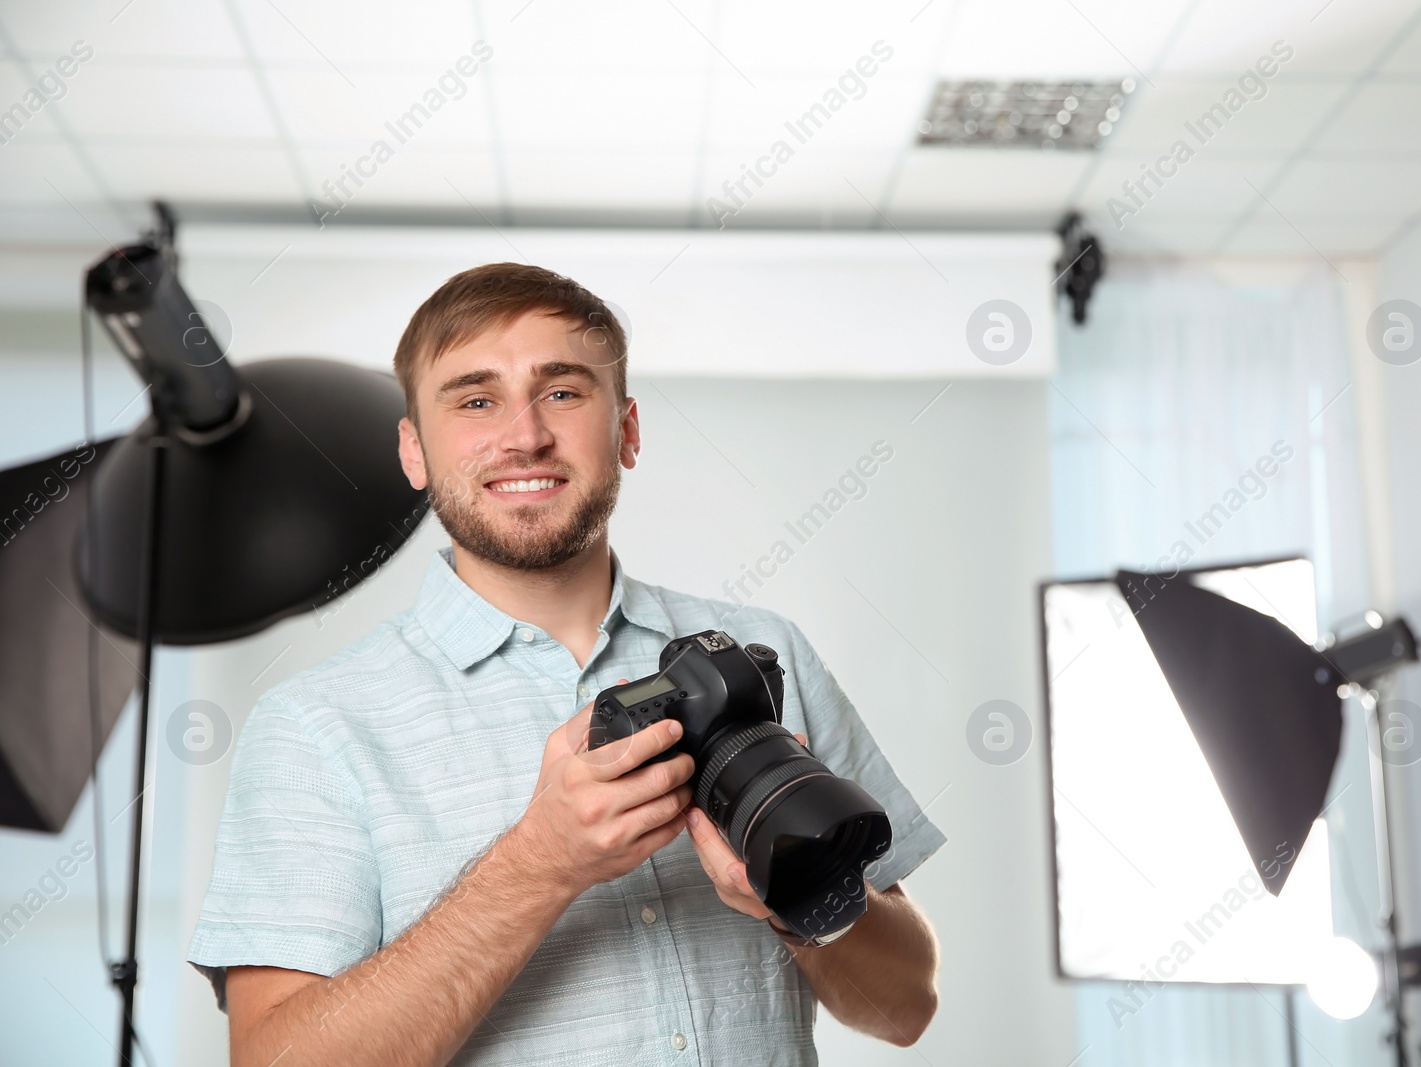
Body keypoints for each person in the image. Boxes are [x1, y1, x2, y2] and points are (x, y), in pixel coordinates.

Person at [187, 262, 946, 1066]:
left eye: (563, 391)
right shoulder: (316, 727)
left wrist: (793, 904)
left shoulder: (766, 652)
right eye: (476, 399)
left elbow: (905, 1006)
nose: (524, 435)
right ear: (413, 450)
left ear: (627, 429)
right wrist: (538, 864)